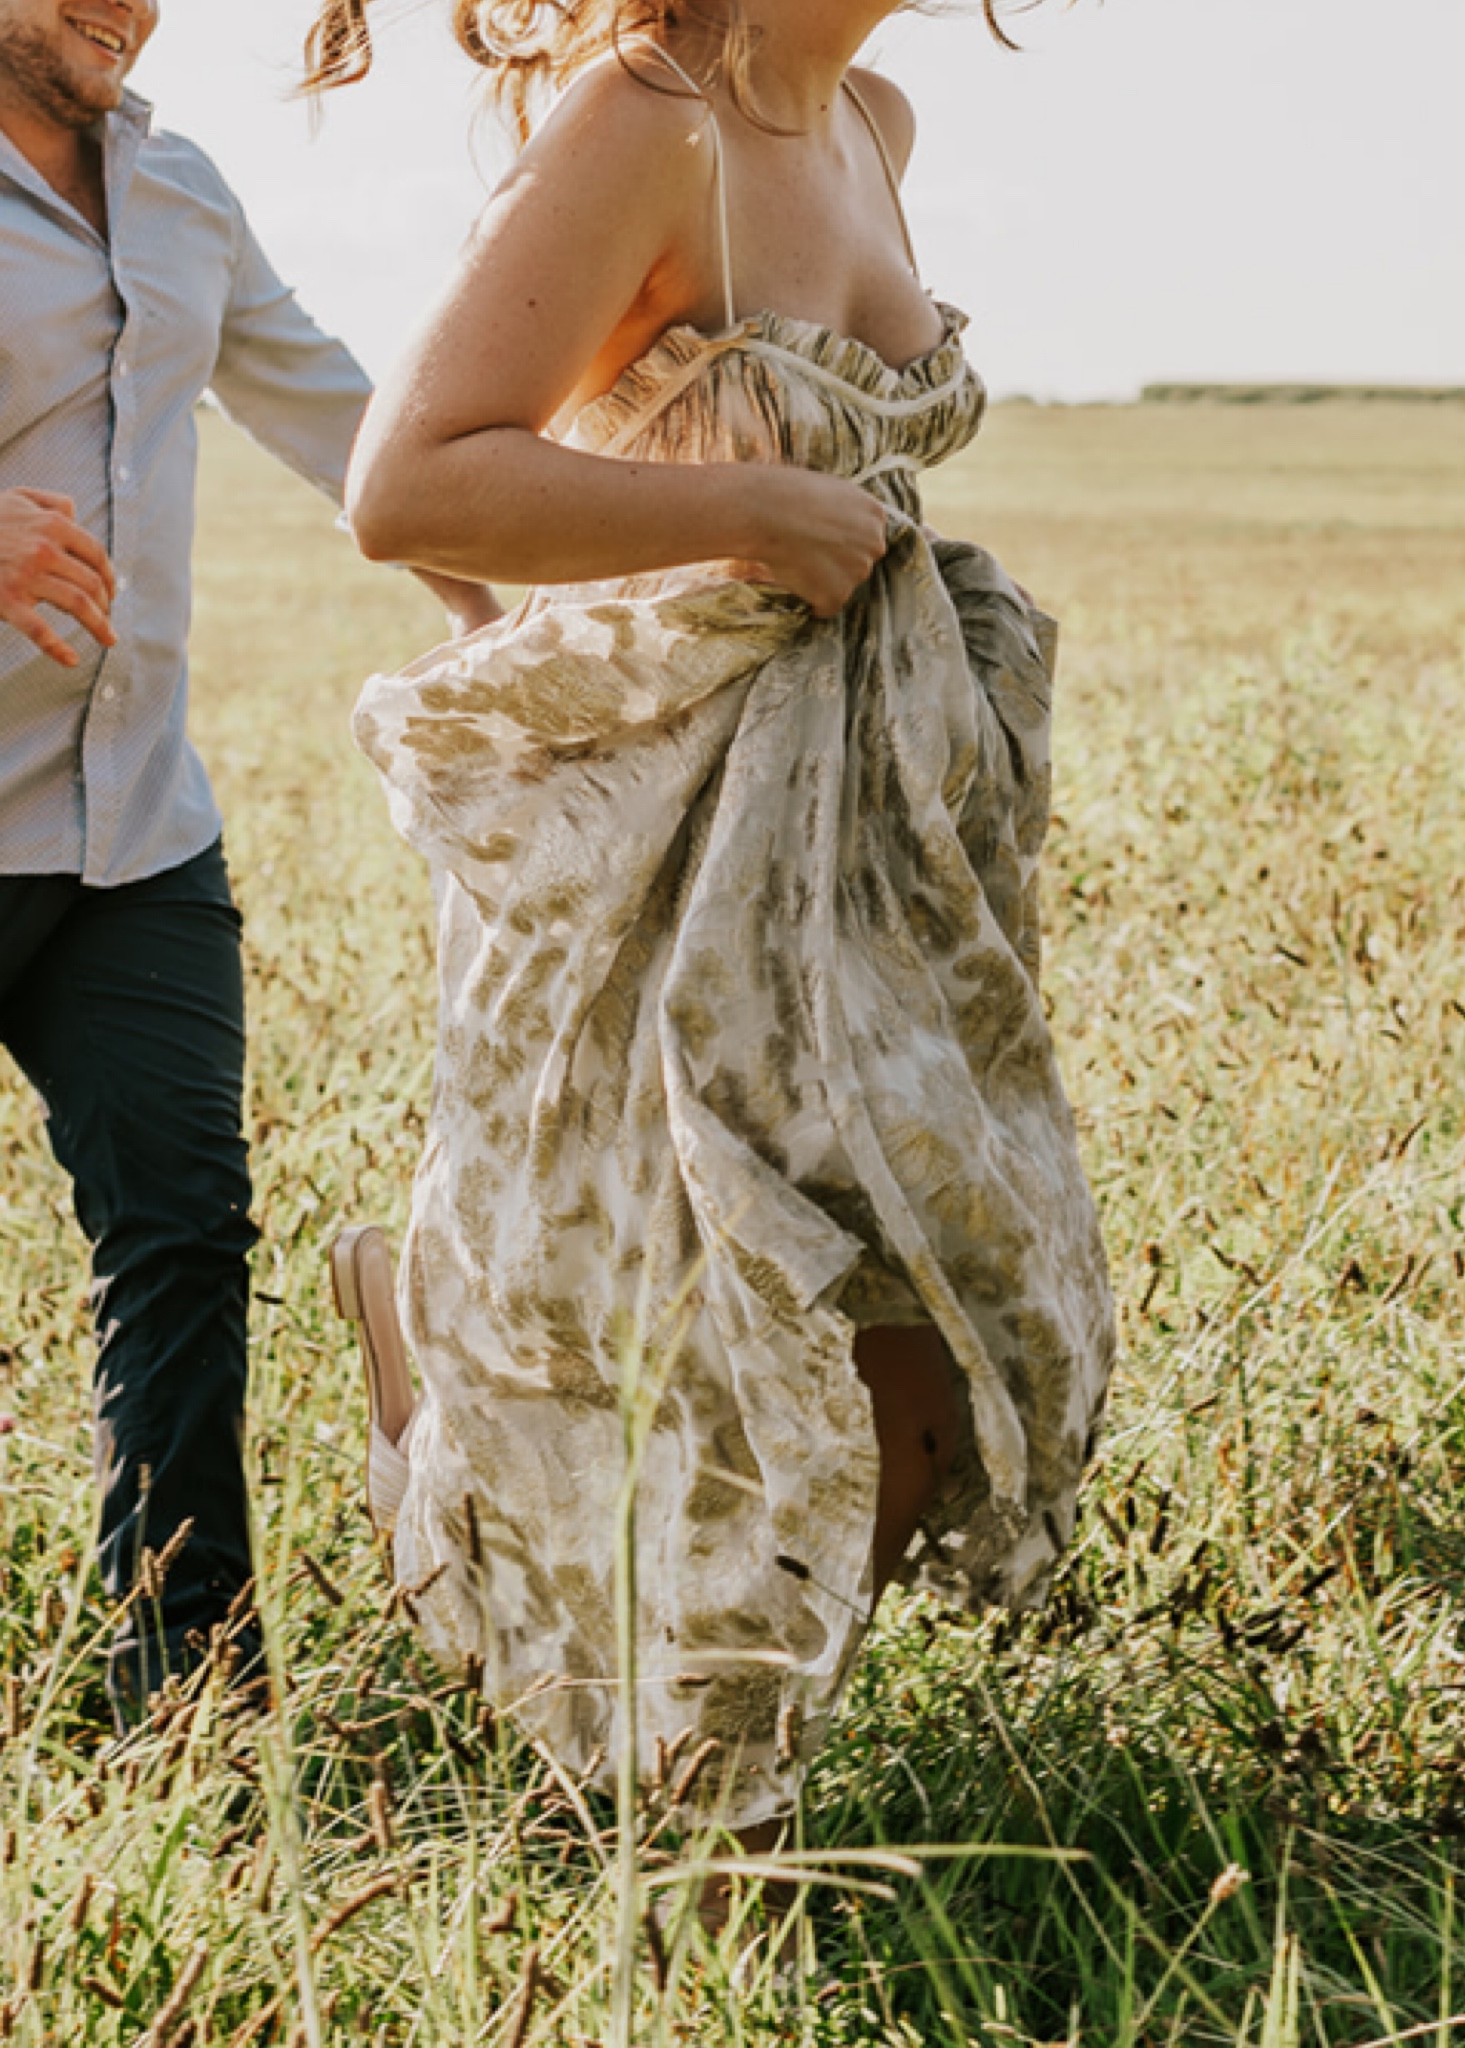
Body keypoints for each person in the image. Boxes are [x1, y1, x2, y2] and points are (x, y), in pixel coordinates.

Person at [311, 0, 1116, 1857]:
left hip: (869, 832)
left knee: (937, 1312)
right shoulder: (646, 115)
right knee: (670, 1341)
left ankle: (701, 1742)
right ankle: (697, 1833)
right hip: (662, 840)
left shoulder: (874, 121)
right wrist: (747, 509)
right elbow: (408, 481)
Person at [0, 0, 499, 1718]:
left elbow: (355, 431)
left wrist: (532, 627)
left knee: (185, 1241)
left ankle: (189, 1698)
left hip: (130, 835)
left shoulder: (185, 192)